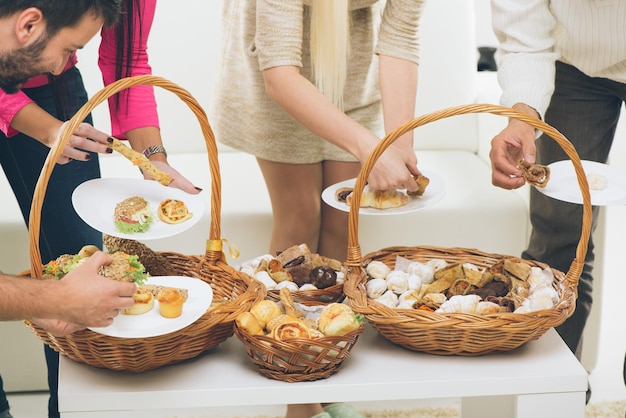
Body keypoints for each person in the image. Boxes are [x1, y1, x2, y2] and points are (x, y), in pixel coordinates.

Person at [212, 1, 424, 417]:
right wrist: (369, 147)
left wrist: (399, 142)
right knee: (299, 216)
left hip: (350, 74)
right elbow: (280, 76)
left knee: (342, 221)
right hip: (277, 74)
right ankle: (300, 400)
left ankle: (327, 380)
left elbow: (400, 37)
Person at [0, 1, 199, 417]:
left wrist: (152, 158)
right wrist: (40, 125)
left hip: (36, 72)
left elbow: (128, 60)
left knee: (81, 270)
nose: (67, 64)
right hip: (16, 56)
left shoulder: (54, 55)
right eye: (73, 48)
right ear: (29, 21)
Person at [487, 0, 626, 403]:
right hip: (575, 65)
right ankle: (549, 400)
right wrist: (522, 117)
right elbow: (524, 34)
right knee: (558, 241)